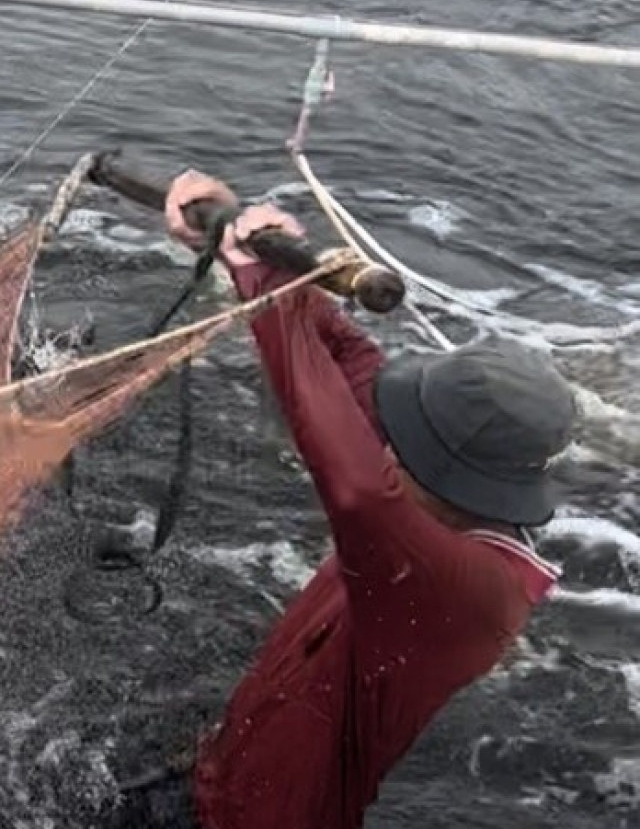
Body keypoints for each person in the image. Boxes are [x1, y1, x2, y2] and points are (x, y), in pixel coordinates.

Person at [107, 171, 578, 829]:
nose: (385, 441)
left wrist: (265, 286)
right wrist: (233, 240)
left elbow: (358, 491)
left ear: (449, 475)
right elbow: (347, 356)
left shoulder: (468, 591)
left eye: (404, 441)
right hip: (218, 773)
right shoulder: (447, 497)